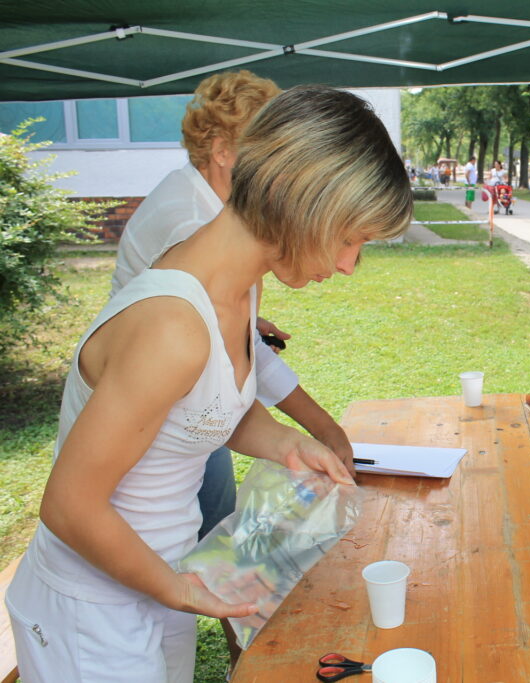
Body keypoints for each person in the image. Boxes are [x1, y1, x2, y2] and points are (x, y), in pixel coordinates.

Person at [5, 85, 413, 682]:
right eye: (352, 238)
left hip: (153, 579)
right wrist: (179, 590)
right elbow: (69, 506)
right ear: (302, 203)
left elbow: (201, 405)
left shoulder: (238, 284)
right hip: (92, 607)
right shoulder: (173, 325)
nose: (350, 264)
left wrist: (283, 443)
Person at [112, 71, 358, 549]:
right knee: (206, 539)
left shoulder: (222, 220)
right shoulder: (192, 226)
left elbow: (238, 348)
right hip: (150, 435)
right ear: (222, 150)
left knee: (206, 541)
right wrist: (322, 425)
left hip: (182, 411)